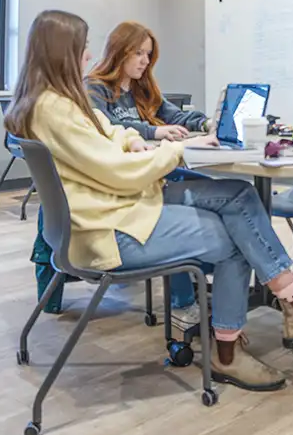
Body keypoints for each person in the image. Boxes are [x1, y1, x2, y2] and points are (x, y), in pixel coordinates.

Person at [6, 9, 293, 391]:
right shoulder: (57, 108)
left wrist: (134, 139)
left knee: (239, 196)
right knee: (237, 238)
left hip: (116, 209)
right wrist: (179, 150)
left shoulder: (51, 102)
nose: (88, 55)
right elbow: (116, 171)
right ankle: (238, 347)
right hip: (110, 229)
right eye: (82, 47)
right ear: (61, 52)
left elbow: (107, 133)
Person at [86, 21, 216, 331]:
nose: (145, 61)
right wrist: (153, 130)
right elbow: (107, 126)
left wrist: (208, 122)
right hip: (127, 185)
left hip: (155, 171)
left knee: (214, 191)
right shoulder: (94, 88)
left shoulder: (144, 85)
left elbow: (176, 115)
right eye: (138, 53)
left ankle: (205, 276)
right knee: (181, 207)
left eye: (148, 54)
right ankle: (183, 299)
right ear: (118, 52)